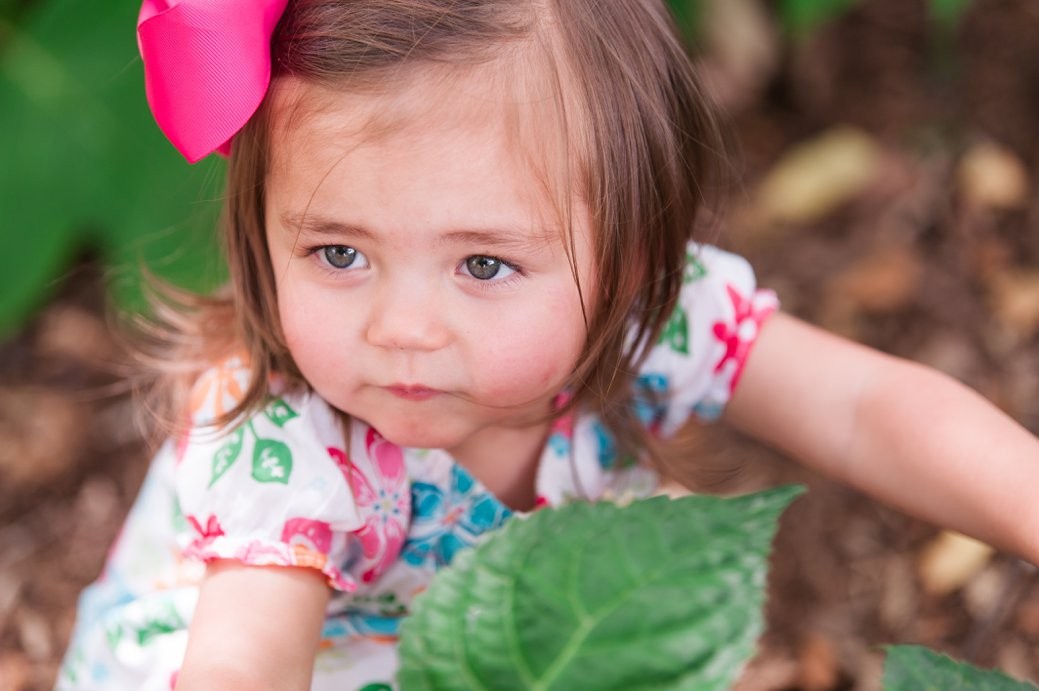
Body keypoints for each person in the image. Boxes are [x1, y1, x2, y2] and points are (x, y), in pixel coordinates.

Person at [57, 0, 1039, 689]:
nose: (402, 326)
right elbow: (245, 664)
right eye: (338, 251)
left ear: (626, 256)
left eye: (482, 265)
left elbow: (861, 409)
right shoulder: (291, 447)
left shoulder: (642, 312)